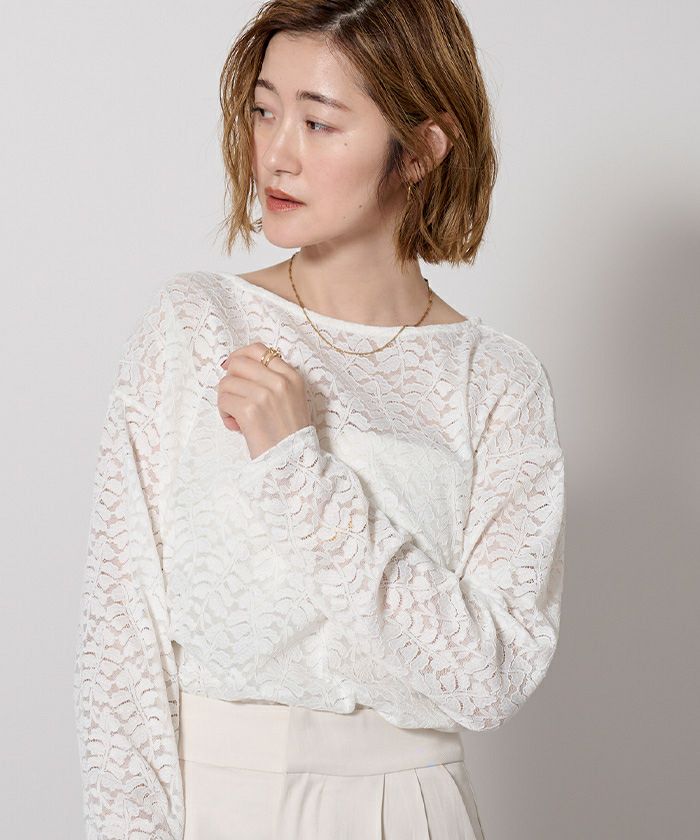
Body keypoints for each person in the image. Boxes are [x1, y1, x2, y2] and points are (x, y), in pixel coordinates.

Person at [73, 1, 566, 838]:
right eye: (264, 111)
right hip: (216, 804)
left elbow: (488, 681)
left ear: (421, 150)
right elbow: (120, 647)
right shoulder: (195, 326)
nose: (276, 152)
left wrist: (297, 470)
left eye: (318, 122)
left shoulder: (497, 381)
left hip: (413, 808)